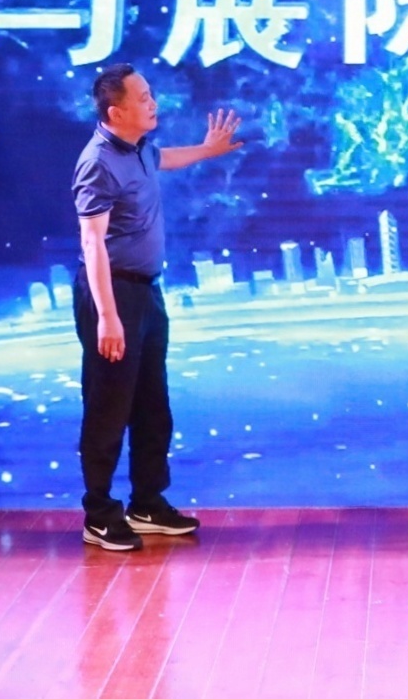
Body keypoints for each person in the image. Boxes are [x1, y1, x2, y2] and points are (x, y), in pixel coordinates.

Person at [72, 64, 241, 553]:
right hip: (114, 294)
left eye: (151, 94)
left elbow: (166, 158)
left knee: (152, 405)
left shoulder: (140, 148)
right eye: (143, 97)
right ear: (115, 112)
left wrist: (207, 150)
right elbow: (92, 242)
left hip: (146, 292)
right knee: (108, 406)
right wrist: (107, 316)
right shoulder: (98, 161)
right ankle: (99, 513)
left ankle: (147, 502)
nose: (153, 103)